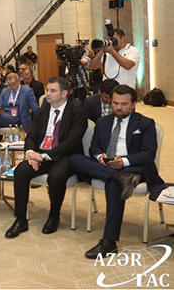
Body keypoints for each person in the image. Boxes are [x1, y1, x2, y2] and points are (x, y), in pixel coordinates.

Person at [69, 85, 164, 258]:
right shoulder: (102, 122)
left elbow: (148, 153)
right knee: (75, 159)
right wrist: (100, 157)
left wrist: (124, 161)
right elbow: (94, 147)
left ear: (134, 104)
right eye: (115, 103)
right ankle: (120, 177)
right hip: (106, 165)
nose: (119, 108)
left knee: (113, 184)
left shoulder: (145, 123)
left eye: (124, 104)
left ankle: (109, 241)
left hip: (133, 167)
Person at [5, 77, 88, 239]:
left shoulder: (78, 113)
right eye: (47, 90)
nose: (47, 94)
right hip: (39, 154)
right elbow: (31, 136)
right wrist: (30, 153)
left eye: (52, 91)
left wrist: (43, 156)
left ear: (64, 93)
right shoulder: (42, 112)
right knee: (21, 171)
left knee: (56, 177)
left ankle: (54, 216)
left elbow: (72, 142)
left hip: (64, 156)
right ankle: (21, 219)